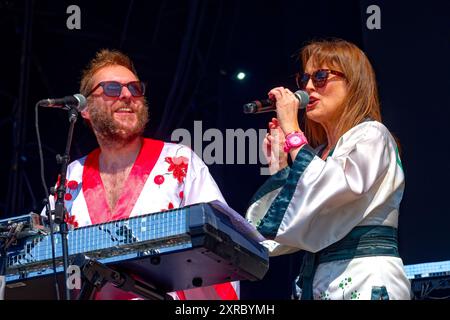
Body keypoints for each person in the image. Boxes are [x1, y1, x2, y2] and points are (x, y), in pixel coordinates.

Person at [47, 49, 239, 300]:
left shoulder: (178, 161)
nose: (127, 95)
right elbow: (44, 262)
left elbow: (222, 251)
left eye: (135, 88)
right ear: (85, 108)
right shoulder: (72, 174)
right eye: (112, 89)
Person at [246, 39, 411, 300]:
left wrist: (293, 133)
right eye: (304, 79)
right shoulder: (320, 153)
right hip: (320, 281)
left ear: (353, 83)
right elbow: (283, 235)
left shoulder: (372, 135)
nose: (309, 87)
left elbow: (334, 190)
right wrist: (279, 165)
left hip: (364, 277)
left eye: (321, 77)